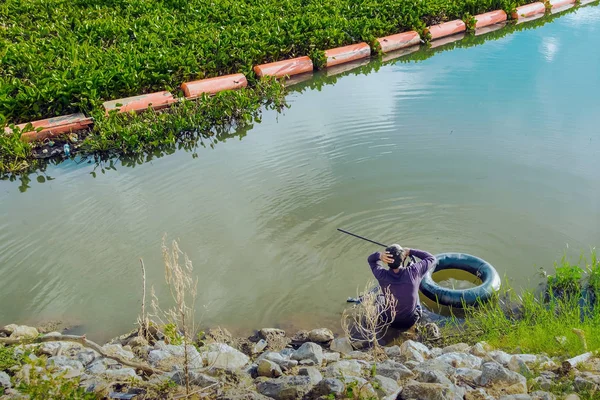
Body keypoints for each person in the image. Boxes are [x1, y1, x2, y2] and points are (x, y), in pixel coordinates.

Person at [367, 244, 436, 330]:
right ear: (403, 258)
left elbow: (371, 260)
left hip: (390, 321)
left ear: (387, 261)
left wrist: (379, 255)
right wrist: (410, 251)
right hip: (410, 321)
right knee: (416, 295)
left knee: (379, 298)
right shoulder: (415, 271)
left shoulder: (381, 275)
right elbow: (431, 258)